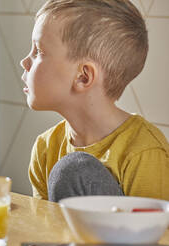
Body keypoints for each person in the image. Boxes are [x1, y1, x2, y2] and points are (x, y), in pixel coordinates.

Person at [20, 0, 169, 202]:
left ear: (83, 76)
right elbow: (45, 228)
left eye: (38, 51)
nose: (25, 61)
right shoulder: (45, 148)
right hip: (60, 235)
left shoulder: (143, 152)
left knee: (73, 170)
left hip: (130, 235)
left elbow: (157, 233)